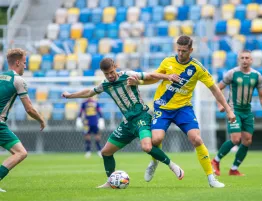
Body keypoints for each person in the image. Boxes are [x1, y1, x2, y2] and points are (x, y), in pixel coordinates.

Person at [128, 35, 236, 188]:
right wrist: (138, 82)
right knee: (156, 140)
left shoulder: (197, 68)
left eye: (184, 51)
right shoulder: (168, 61)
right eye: (178, 50)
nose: (180, 53)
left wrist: (228, 110)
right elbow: (155, 78)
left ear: (191, 50)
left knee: (197, 139)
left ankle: (211, 178)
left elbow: (215, 90)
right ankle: (154, 161)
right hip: (163, 108)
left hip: (183, 109)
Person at [62, 58, 185, 189]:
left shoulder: (128, 75)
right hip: (127, 123)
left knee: (147, 147)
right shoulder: (105, 85)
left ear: (115, 67)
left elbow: (150, 75)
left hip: (141, 117)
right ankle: (111, 182)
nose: (110, 76)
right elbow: (89, 92)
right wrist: (70, 95)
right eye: (106, 74)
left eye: (111, 72)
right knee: (106, 152)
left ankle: (173, 166)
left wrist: (168, 77)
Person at [211, 50, 262, 176]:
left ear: (251, 60)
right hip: (234, 110)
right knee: (235, 139)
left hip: (247, 112)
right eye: (242, 58)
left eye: (247, 58)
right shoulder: (232, 73)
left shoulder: (257, 75)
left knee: (247, 141)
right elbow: (218, 88)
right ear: (239, 60)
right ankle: (215, 161)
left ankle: (234, 169)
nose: (245, 60)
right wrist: (221, 105)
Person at [0, 48, 45, 192]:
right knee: (21, 153)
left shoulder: (1, 77)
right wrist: (41, 120)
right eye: (25, 63)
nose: (25, 66)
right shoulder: (18, 80)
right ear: (18, 62)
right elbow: (29, 109)